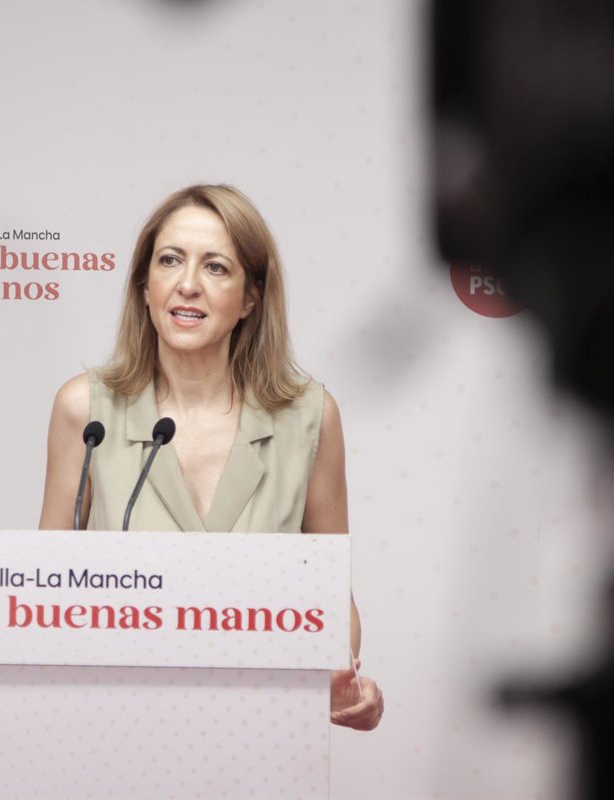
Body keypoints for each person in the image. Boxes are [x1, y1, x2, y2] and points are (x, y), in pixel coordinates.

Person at [38, 184, 383, 731]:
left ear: (250, 298)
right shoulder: (86, 411)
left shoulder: (310, 417)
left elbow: (332, 597)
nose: (188, 284)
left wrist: (343, 684)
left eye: (216, 267)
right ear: (144, 286)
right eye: (170, 260)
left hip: (259, 731)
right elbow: (42, 588)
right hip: (113, 728)